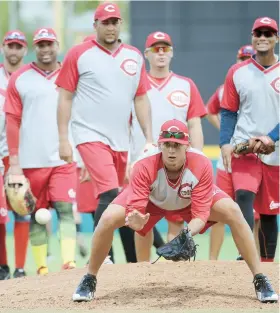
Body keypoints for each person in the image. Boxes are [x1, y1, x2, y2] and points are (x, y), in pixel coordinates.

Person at [72, 119, 278, 303]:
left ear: (186, 146)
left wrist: (186, 234)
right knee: (107, 218)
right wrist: (133, 219)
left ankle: (260, 278)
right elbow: (136, 208)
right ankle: (89, 278)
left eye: (177, 145)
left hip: (189, 202)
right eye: (167, 145)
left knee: (233, 211)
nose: (171, 151)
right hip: (152, 202)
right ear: (160, 145)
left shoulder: (201, 164)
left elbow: (200, 214)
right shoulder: (144, 166)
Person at [55, 2, 154, 263]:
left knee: (123, 198)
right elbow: (65, 97)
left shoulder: (134, 56)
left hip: (122, 141)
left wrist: (150, 138)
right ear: (95, 25)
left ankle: (131, 262)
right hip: (89, 135)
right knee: (110, 193)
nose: (110, 27)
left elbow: (141, 99)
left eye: (114, 22)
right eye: (105, 22)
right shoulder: (79, 53)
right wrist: (64, 140)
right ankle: (104, 257)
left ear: (121, 24)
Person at [4, 28, 77, 275]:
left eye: (50, 44)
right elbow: (12, 120)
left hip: (63, 156)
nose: (46, 49)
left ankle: (69, 263)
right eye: (41, 45)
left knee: (66, 208)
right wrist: (14, 161)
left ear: (58, 44)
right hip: (31, 160)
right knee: (36, 214)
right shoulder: (21, 78)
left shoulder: (71, 74)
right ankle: (42, 268)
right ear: (35, 48)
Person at [130, 31, 207, 241]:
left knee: (176, 218)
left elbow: (194, 122)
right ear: (146, 53)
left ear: (172, 53)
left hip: (177, 159)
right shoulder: (136, 84)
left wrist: (197, 154)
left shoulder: (185, 84)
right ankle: (141, 267)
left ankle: (175, 268)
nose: (161, 53)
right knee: (142, 218)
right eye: (156, 49)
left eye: (165, 48)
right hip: (143, 160)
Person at [220, 17, 279, 263]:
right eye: (258, 33)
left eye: (268, 33)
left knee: (268, 213)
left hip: (275, 153)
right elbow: (228, 111)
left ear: (276, 38)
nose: (263, 37)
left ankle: (267, 267)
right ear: (252, 37)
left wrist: (271, 136)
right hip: (244, 149)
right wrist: (224, 142)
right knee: (243, 196)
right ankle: (246, 257)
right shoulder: (238, 72)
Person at [206, 44, 260, 260]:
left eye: (249, 57)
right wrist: (225, 136)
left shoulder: (260, 86)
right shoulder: (225, 88)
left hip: (249, 159)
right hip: (226, 161)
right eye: (241, 57)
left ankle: (247, 255)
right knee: (219, 213)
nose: (244, 61)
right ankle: (213, 260)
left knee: (254, 214)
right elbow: (209, 111)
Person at [0, 30, 28, 279]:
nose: (14, 50)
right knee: (0, 214)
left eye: (18, 46)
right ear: (3, 47)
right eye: (10, 45)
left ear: (25, 50)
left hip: (20, 151)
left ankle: (19, 267)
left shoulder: (28, 77)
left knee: (21, 207)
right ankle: (3, 265)